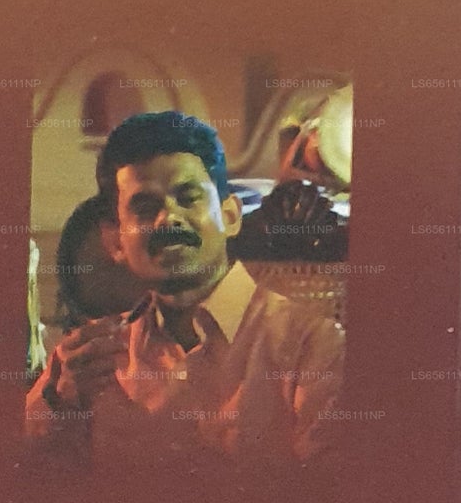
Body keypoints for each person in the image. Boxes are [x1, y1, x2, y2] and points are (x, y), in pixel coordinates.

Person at [25, 111, 345, 468]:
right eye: (146, 207)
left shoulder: (311, 348)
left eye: (188, 197)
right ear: (115, 242)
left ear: (230, 216)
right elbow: (23, 474)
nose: (169, 218)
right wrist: (61, 405)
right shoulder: (86, 362)